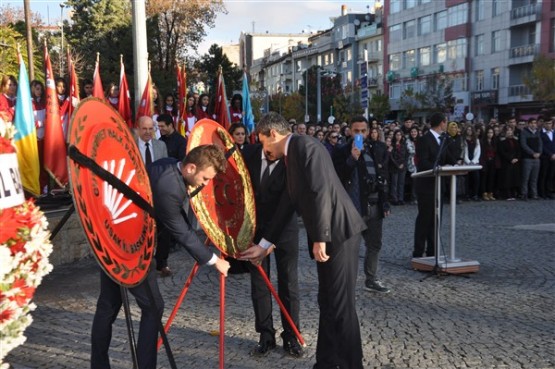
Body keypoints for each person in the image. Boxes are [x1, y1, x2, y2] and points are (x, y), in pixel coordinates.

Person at [240, 112, 366, 369]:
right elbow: (288, 202)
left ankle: (353, 364)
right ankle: (326, 363)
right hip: (328, 236)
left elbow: (319, 190)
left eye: (263, 142)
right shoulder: (292, 154)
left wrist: (320, 237)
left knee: (341, 305)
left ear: (272, 134)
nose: (263, 149)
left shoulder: (305, 146)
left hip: (339, 234)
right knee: (327, 301)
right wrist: (263, 245)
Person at [91, 145, 231, 369]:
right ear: (191, 168)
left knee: (107, 306)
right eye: (205, 178)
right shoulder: (170, 188)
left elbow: (179, 218)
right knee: (153, 307)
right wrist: (214, 260)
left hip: (111, 241)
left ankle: (98, 365)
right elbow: (181, 232)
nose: (205, 184)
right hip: (131, 250)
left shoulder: (166, 163)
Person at [240, 143, 302, 358]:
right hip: (255, 229)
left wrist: (271, 241)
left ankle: (291, 336)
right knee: (259, 285)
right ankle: (265, 335)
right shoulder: (248, 153)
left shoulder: (291, 159)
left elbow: (291, 202)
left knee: (288, 283)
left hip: (284, 229)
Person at [334, 116, 391, 293]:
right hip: (354, 206)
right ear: (349, 131)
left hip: (374, 204)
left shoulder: (376, 149)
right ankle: (346, 281)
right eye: (356, 130)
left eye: (363, 131)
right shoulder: (341, 151)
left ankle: (371, 278)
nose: (359, 134)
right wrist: (352, 158)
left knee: (374, 244)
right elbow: (338, 177)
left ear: (368, 131)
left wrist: (385, 203)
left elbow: (382, 177)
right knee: (350, 247)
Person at [412, 112, 456, 258]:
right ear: (442, 123)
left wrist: (458, 162)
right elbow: (423, 162)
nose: (447, 125)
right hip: (427, 186)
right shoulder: (424, 140)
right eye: (446, 122)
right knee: (425, 219)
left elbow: (450, 157)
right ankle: (418, 252)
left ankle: (433, 251)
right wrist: (436, 168)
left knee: (436, 220)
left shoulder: (444, 140)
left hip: (439, 186)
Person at [519, 118, 542, 200]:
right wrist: (532, 153)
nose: (533, 124)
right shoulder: (524, 133)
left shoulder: (538, 133)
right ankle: (524, 194)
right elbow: (524, 145)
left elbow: (540, 144)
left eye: (535, 123)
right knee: (525, 177)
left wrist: (539, 152)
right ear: (528, 124)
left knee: (534, 178)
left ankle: (534, 194)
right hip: (527, 158)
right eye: (531, 123)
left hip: (537, 158)